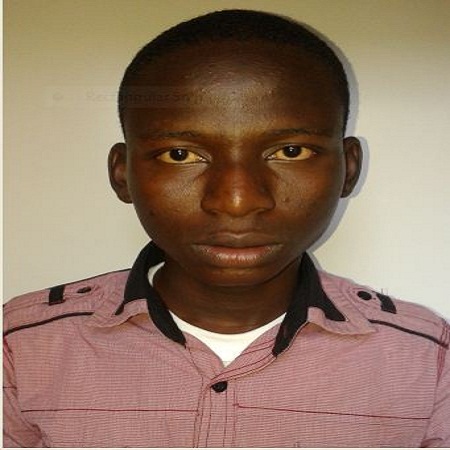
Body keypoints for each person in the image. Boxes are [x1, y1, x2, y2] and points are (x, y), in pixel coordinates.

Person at [3, 9, 449, 448]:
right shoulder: (20, 349)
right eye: (180, 155)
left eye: (290, 151)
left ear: (348, 169)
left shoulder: (429, 361)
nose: (237, 201)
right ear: (122, 175)